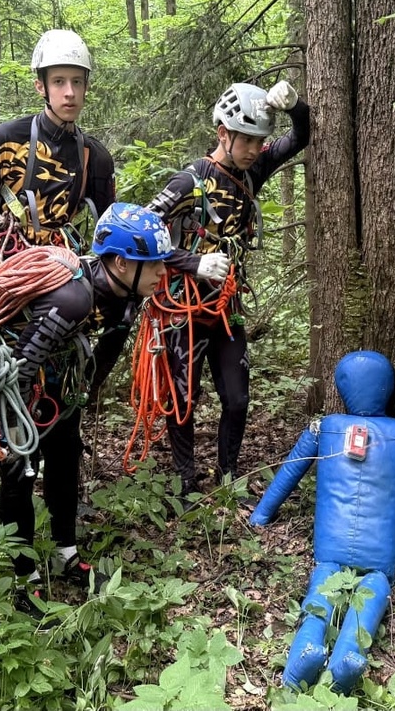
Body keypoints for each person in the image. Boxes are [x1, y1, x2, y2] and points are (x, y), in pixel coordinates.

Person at [0, 202, 174, 596]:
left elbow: (105, 353)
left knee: (66, 459)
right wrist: (15, 435)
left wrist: (81, 398)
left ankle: (65, 553)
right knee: (20, 474)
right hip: (19, 392)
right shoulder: (72, 298)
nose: (162, 272)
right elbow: (16, 370)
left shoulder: (127, 295)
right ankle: (25, 575)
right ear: (121, 263)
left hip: (61, 388)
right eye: (153, 263)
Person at [145, 78, 310, 494]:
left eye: (260, 141)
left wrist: (294, 106)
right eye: (249, 140)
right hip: (181, 306)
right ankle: (185, 479)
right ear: (224, 133)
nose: (257, 149)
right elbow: (138, 232)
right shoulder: (190, 182)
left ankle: (228, 475)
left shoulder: (253, 171)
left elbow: (301, 136)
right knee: (183, 399)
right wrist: (193, 261)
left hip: (226, 305)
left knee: (237, 398)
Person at [249, 351, 395, 693]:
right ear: (388, 388)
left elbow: (291, 470)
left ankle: (305, 653)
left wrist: (261, 514)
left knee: (322, 585)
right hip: (381, 552)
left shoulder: (326, 427)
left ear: (344, 387)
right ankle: (349, 655)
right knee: (376, 586)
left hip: (331, 544)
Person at [0, 28, 115, 274]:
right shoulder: (5, 140)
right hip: (6, 262)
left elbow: (108, 232)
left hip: (63, 267)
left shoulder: (95, 157)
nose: (70, 92)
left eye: (77, 81)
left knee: (74, 301)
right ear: (40, 86)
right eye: (59, 81)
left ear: (86, 86)